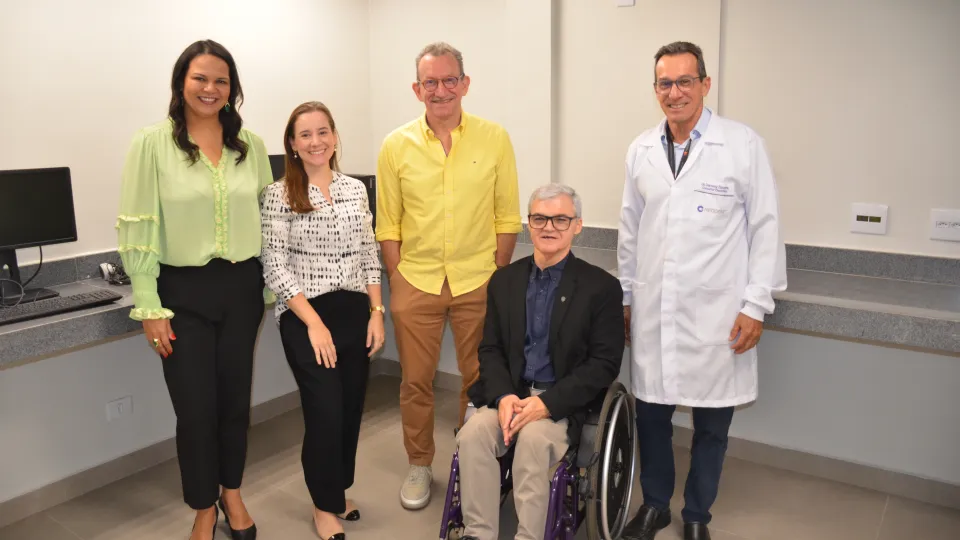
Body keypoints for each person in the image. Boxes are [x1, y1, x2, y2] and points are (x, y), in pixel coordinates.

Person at [617, 41, 788, 540]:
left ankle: (696, 516)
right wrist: (626, 297)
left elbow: (767, 228)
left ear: (705, 84)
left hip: (719, 314)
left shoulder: (741, 145)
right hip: (653, 310)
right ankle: (655, 505)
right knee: (652, 416)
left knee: (712, 427)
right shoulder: (641, 149)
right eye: (665, 84)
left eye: (685, 81)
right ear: (656, 91)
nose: (675, 93)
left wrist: (756, 305)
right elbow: (630, 230)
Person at [117, 39, 272, 540]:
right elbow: (138, 227)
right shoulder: (152, 143)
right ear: (181, 82)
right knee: (195, 408)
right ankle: (204, 506)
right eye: (200, 78)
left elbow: (270, 223)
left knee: (233, 401)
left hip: (242, 287)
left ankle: (232, 491)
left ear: (232, 90)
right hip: (180, 292)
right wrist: (149, 306)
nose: (210, 89)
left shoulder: (250, 146)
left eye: (221, 80)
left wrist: (274, 288)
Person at [375, 41, 522, 510]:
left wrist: (497, 277)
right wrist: (397, 279)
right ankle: (419, 465)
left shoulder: (494, 138)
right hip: (415, 282)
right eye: (430, 82)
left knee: (477, 381)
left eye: (449, 80)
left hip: (478, 279)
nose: (441, 90)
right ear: (417, 89)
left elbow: (506, 216)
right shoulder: (395, 145)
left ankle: (469, 463)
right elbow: (389, 223)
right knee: (415, 381)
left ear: (465, 83)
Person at [456, 184, 625, 540]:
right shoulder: (504, 281)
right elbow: (491, 349)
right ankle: (478, 533)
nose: (549, 227)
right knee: (472, 434)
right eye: (540, 218)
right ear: (527, 224)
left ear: (577, 225)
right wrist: (503, 397)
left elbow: (604, 364)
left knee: (532, 440)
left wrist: (546, 404)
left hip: (562, 404)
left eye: (561, 219)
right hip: (511, 396)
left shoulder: (602, 288)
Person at [259, 101, 385, 540]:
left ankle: (337, 490)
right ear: (292, 144)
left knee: (351, 408)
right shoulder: (280, 194)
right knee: (325, 411)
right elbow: (273, 265)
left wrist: (376, 312)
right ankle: (323, 504)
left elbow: (369, 252)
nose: (316, 142)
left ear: (334, 136)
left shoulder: (354, 188)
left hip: (353, 310)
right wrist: (313, 323)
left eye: (323, 132)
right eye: (305, 135)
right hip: (305, 314)